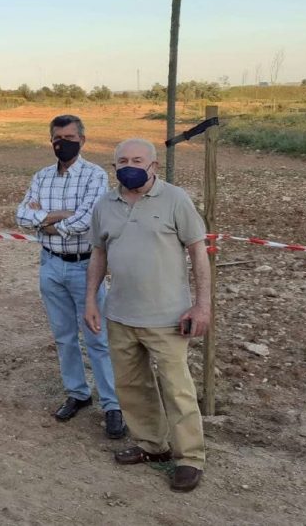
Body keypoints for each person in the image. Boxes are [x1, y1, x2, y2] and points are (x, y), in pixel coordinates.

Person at [84, 139, 211, 493]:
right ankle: (152, 445)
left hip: (168, 317)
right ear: (113, 167)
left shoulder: (175, 200)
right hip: (120, 314)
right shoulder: (105, 205)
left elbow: (199, 253)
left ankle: (189, 458)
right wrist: (91, 301)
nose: (129, 165)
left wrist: (202, 306)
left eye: (137, 160)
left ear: (154, 165)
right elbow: (98, 255)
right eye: (122, 160)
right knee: (132, 385)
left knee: (177, 389)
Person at [15, 114, 123, 438]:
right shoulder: (42, 176)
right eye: (58, 138)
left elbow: (87, 220)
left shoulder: (95, 175)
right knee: (63, 336)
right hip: (49, 264)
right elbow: (21, 216)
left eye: (70, 137)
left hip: (84, 266)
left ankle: (112, 404)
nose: (64, 143)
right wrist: (60, 216)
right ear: (51, 141)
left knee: (97, 337)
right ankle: (78, 393)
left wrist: (45, 221)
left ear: (83, 140)